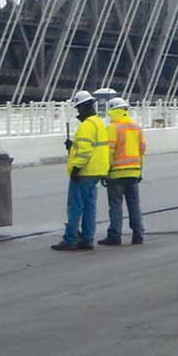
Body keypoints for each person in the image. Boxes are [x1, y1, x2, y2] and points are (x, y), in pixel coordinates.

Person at [52, 90, 111, 251]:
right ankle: (87, 239)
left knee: (75, 207)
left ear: (85, 107)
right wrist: (73, 147)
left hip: (84, 172)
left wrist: (76, 168)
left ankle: (70, 239)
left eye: (79, 108)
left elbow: (85, 152)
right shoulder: (98, 123)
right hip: (96, 172)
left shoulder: (86, 126)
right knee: (89, 207)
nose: (78, 112)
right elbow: (92, 147)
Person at [101, 96, 146, 245]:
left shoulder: (113, 128)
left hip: (116, 173)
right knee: (134, 205)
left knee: (115, 205)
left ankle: (115, 235)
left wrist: (105, 172)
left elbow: (109, 153)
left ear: (112, 111)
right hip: (133, 172)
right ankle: (138, 235)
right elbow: (141, 152)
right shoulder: (136, 127)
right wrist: (140, 172)